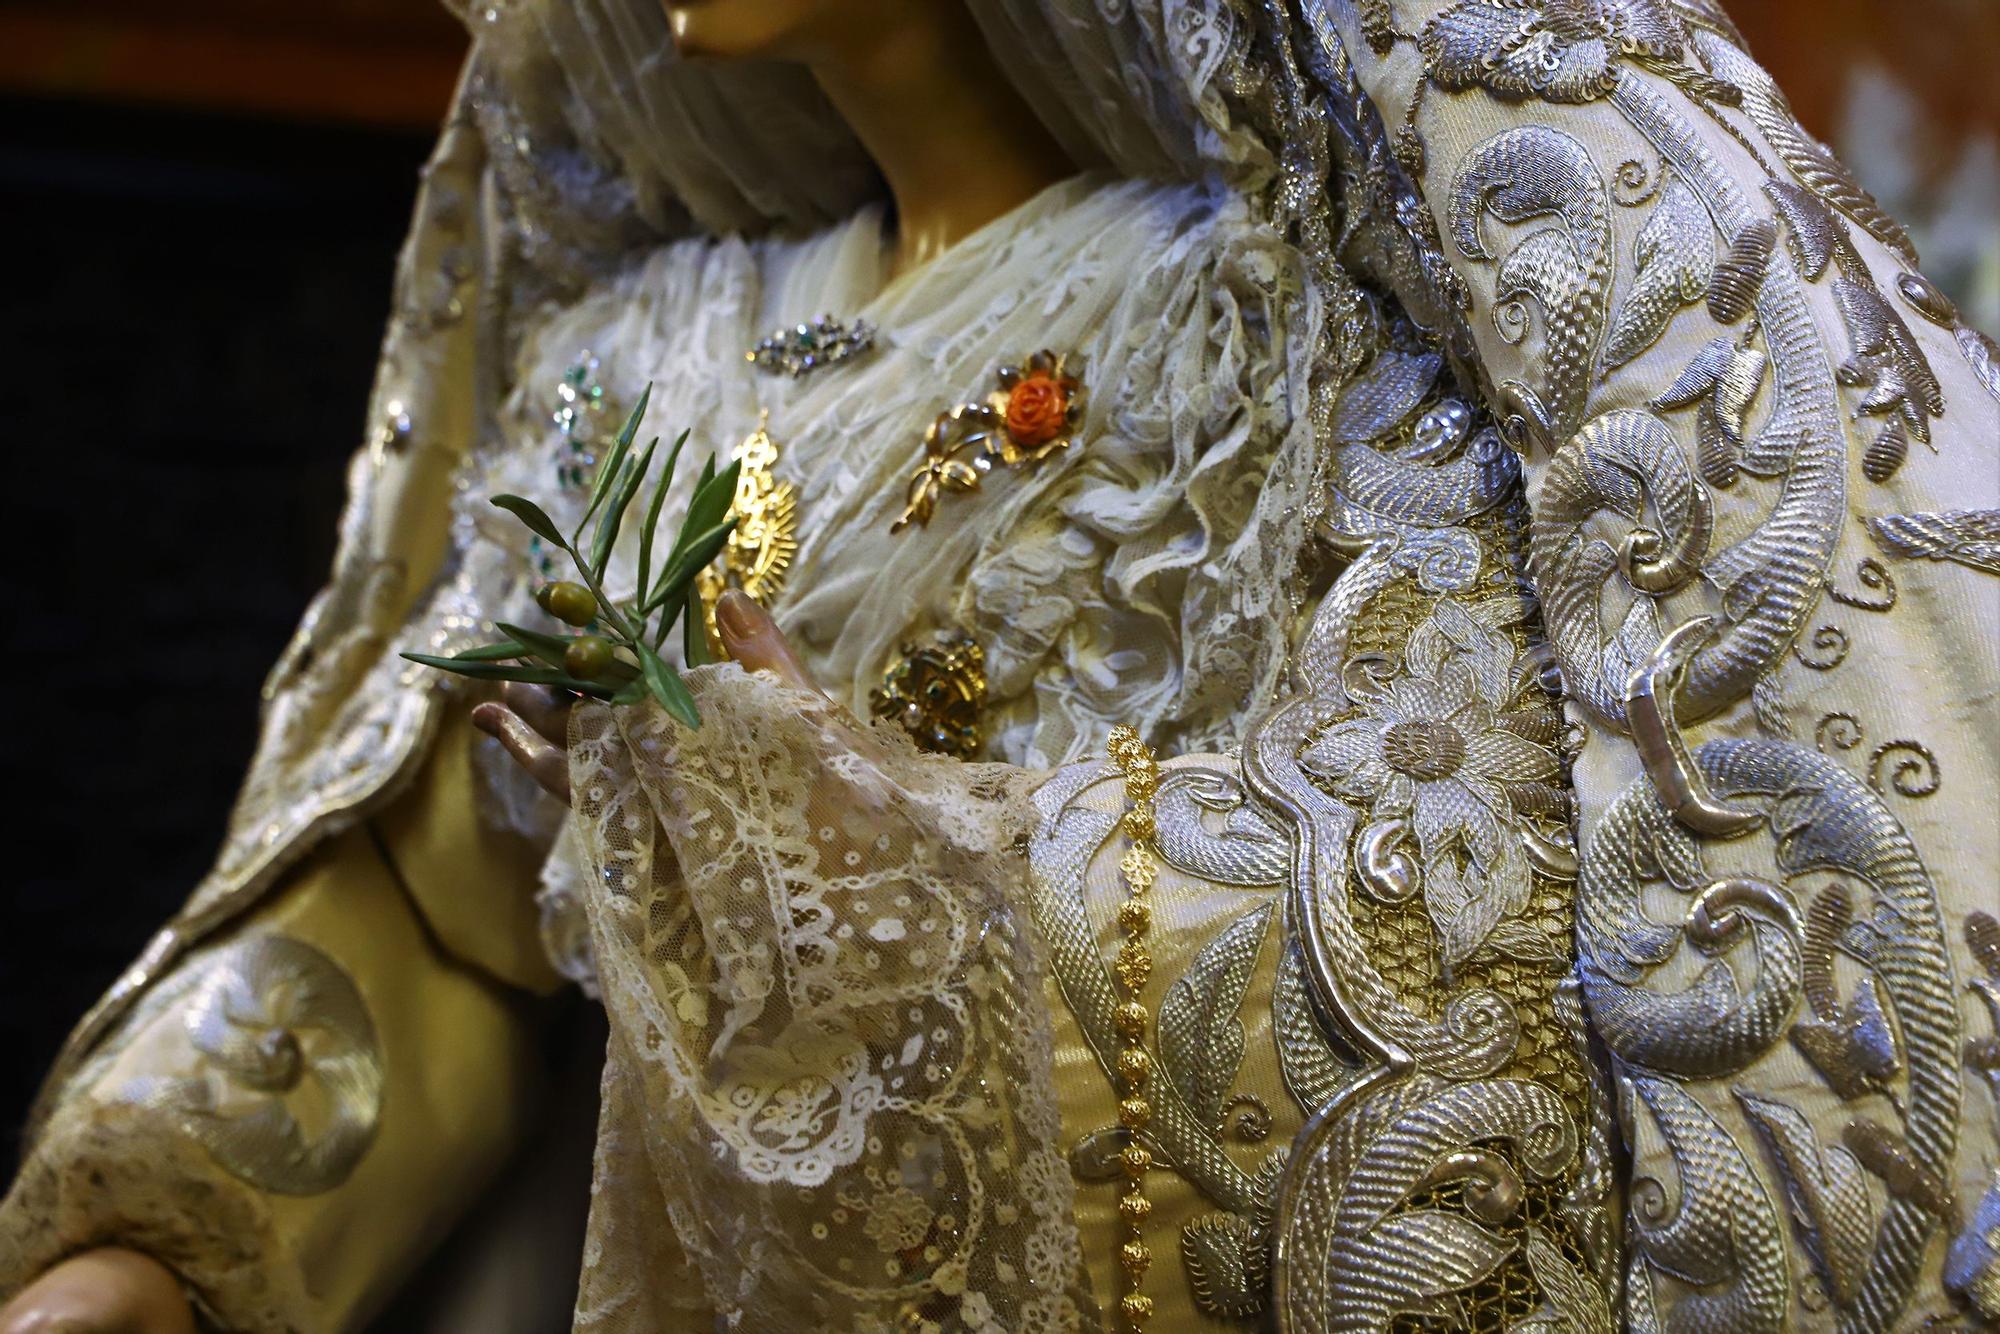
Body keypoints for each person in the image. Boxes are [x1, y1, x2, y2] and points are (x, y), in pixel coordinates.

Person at [4, 0, 1997, 1329]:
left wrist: (861, 864)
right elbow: (426, 895)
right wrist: (168, 1227)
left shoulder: (1246, 319)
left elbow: (1441, 925)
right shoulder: (640, 358)